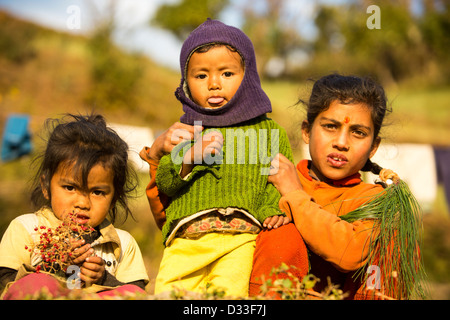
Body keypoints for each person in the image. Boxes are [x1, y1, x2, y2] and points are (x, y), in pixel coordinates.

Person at [139, 19, 297, 298]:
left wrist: (274, 211)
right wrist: (189, 158)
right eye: (201, 76)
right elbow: (165, 183)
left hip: (239, 240)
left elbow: (277, 183)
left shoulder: (270, 132)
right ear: (185, 83)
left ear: (247, 76)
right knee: (168, 294)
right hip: (186, 240)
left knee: (227, 296)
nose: (213, 84)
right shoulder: (186, 131)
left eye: (226, 74)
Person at [250, 73, 425, 300]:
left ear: (374, 147)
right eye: (330, 126)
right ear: (306, 131)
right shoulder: (279, 179)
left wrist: (295, 196)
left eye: (358, 133)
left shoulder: (377, 201)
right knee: (281, 234)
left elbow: (349, 253)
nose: (341, 143)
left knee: (393, 240)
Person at [0, 114, 149, 299]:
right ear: (46, 187)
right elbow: (5, 282)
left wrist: (102, 278)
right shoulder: (27, 228)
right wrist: (56, 265)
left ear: (114, 198)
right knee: (37, 283)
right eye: (70, 188)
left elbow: (136, 292)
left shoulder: (123, 244)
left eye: (97, 192)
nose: (82, 203)